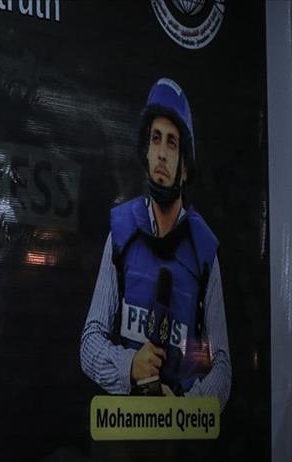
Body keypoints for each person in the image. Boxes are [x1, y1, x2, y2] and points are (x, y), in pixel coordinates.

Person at [79, 77, 231, 409]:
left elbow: (223, 368)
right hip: (125, 426)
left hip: (182, 433)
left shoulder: (204, 252)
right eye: (156, 139)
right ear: (146, 152)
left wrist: (182, 408)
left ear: (185, 168)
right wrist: (130, 366)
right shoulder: (121, 235)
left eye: (172, 143)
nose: (161, 153)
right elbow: (89, 344)